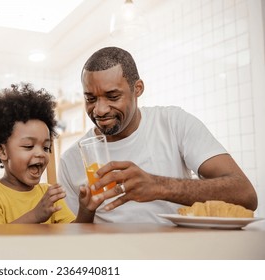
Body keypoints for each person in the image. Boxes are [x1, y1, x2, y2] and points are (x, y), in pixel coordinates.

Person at [58, 46, 258, 223]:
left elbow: (246, 194)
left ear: (138, 89)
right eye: (91, 99)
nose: (99, 110)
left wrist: (159, 186)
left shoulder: (173, 122)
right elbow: (74, 234)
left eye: (113, 96)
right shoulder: (71, 159)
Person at [0, 83, 100, 224]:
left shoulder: (48, 193)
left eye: (46, 147)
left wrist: (86, 211)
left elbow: (72, 236)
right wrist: (35, 216)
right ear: (2, 151)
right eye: (28, 146)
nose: (41, 153)